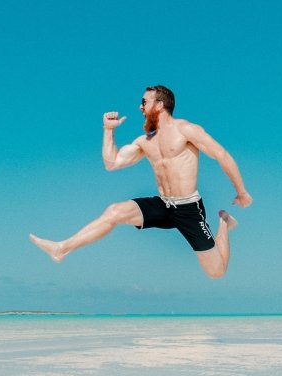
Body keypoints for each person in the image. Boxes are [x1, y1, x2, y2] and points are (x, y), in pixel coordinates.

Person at [29, 85, 252, 279]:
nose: (140, 107)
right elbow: (112, 163)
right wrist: (108, 131)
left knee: (216, 272)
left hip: (189, 209)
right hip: (163, 205)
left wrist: (241, 192)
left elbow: (222, 155)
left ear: (160, 104)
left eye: (144, 102)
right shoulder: (145, 141)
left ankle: (224, 223)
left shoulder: (186, 130)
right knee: (114, 212)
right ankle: (62, 248)